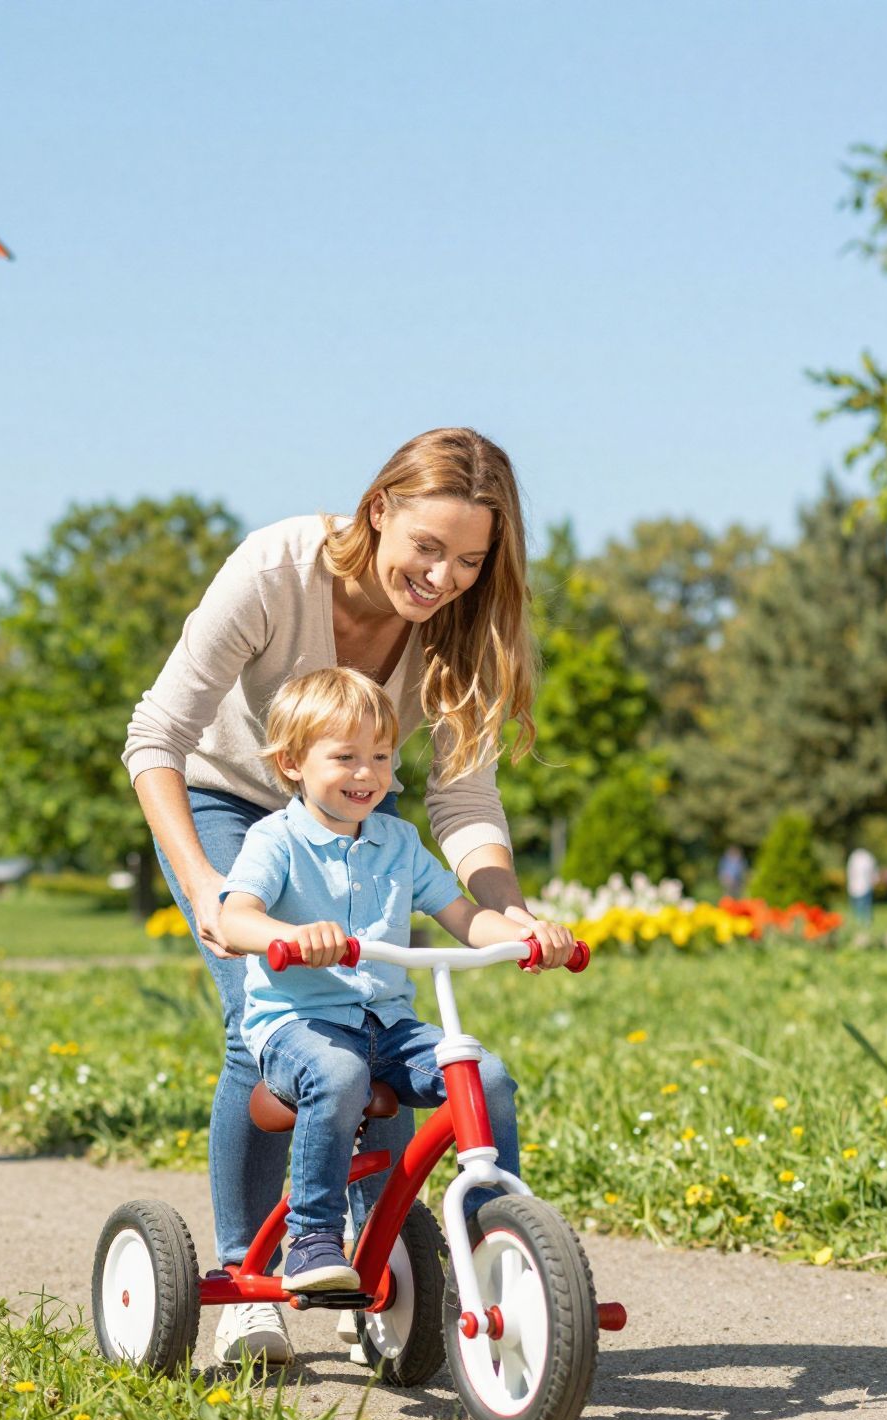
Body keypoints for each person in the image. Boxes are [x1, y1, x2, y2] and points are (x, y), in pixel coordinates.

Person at [124, 426, 570, 1362]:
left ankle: (383, 1262)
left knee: (377, 1014)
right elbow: (157, 736)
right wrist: (207, 889)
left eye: (470, 561)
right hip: (225, 799)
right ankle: (252, 1277)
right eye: (427, 547)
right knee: (268, 1022)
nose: (443, 578)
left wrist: (508, 911)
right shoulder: (276, 570)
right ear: (378, 511)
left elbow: (462, 799)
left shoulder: (462, 630)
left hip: (360, 808)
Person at [216, 669, 569, 1289]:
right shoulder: (277, 840)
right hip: (299, 1029)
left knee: (484, 1076)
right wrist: (289, 936)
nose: (367, 773)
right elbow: (233, 917)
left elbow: (464, 917)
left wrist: (528, 935)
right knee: (338, 1074)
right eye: (345, 757)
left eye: (381, 756)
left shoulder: (399, 842)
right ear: (293, 762)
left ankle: (494, 1235)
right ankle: (314, 1237)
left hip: (390, 1026)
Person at [846, 844, 879, 927]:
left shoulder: (866, 858)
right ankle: (859, 920)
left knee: (865, 904)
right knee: (858, 904)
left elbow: (872, 871)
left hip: (865, 885)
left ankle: (865, 920)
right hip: (857, 884)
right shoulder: (856, 858)